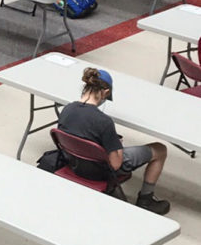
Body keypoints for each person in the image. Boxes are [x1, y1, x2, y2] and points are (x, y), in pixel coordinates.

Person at [57, 67, 170, 215]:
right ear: (105, 92)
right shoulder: (104, 121)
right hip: (100, 171)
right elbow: (116, 164)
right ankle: (146, 200)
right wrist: (117, 145)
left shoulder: (67, 109)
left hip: (75, 164)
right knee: (160, 149)